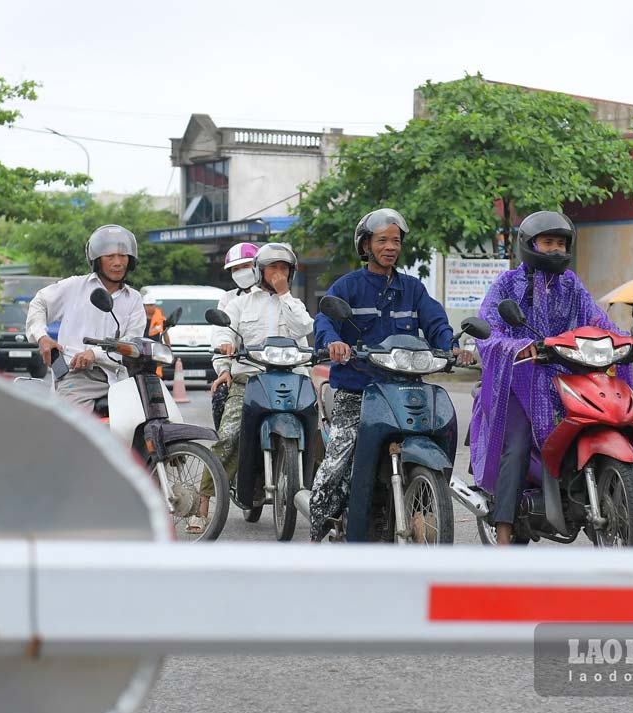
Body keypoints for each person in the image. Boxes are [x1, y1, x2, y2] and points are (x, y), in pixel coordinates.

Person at [468, 211, 633, 546]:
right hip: (519, 383)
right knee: (517, 444)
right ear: (530, 245)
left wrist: (628, 341)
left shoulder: (571, 285)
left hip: (565, 377)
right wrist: (516, 347)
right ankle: (505, 532)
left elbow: (598, 322)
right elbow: (490, 330)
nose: (555, 249)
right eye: (548, 242)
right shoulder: (507, 284)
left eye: (561, 243)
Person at [309, 208, 472, 542]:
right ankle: (318, 526)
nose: (390, 247)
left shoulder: (413, 289)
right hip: (358, 390)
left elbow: (436, 323)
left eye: (395, 241)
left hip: (404, 388)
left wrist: (450, 347)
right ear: (366, 245)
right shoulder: (348, 286)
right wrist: (333, 342)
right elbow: (325, 320)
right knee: (336, 462)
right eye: (382, 240)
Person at [197, 242, 313, 531]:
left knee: (320, 429)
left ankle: (321, 500)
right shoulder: (240, 304)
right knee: (229, 435)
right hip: (249, 379)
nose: (278, 273)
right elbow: (223, 333)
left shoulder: (293, 304)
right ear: (260, 270)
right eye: (273, 267)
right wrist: (225, 359)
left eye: (284, 268)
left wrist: (285, 294)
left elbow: (304, 328)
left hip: (291, 378)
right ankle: (203, 502)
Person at [26, 225, 146, 409]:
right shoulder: (74, 287)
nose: (118, 262)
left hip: (119, 378)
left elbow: (132, 343)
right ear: (97, 260)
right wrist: (42, 337)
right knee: (74, 423)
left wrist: (95, 354)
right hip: (76, 376)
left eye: (123, 256)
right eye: (110, 256)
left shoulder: (134, 299)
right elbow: (39, 303)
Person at [212, 242, 260, 428]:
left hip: (280, 371)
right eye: (235, 269)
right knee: (228, 428)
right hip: (243, 374)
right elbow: (221, 332)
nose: (241, 272)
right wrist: (224, 370)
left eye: (245, 266)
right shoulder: (229, 299)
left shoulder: (277, 295)